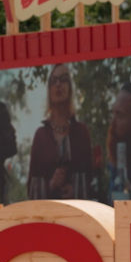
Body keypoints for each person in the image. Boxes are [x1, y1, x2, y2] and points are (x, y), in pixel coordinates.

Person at [27, 62, 93, 200]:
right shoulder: (40, 135)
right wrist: (50, 185)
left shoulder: (82, 132)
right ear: (49, 90)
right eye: (53, 81)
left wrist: (76, 191)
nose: (58, 84)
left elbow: (92, 180)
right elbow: (31, 187)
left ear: (70, 88)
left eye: (63, 80)